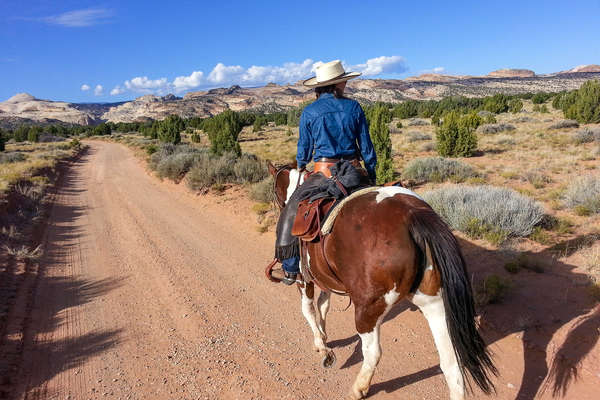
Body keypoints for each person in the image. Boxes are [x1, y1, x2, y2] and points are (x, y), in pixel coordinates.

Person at [275, 60, 377, 285]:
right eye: (344, 82)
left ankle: (291, 267)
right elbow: (367, 147)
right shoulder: (354, 107)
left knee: (291, 210)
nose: (346, 85)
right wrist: (371, 172)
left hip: (324, 173)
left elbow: (304, 149)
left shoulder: (310, 112)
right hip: (354, 171)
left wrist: (301, 166)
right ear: (338, 84)